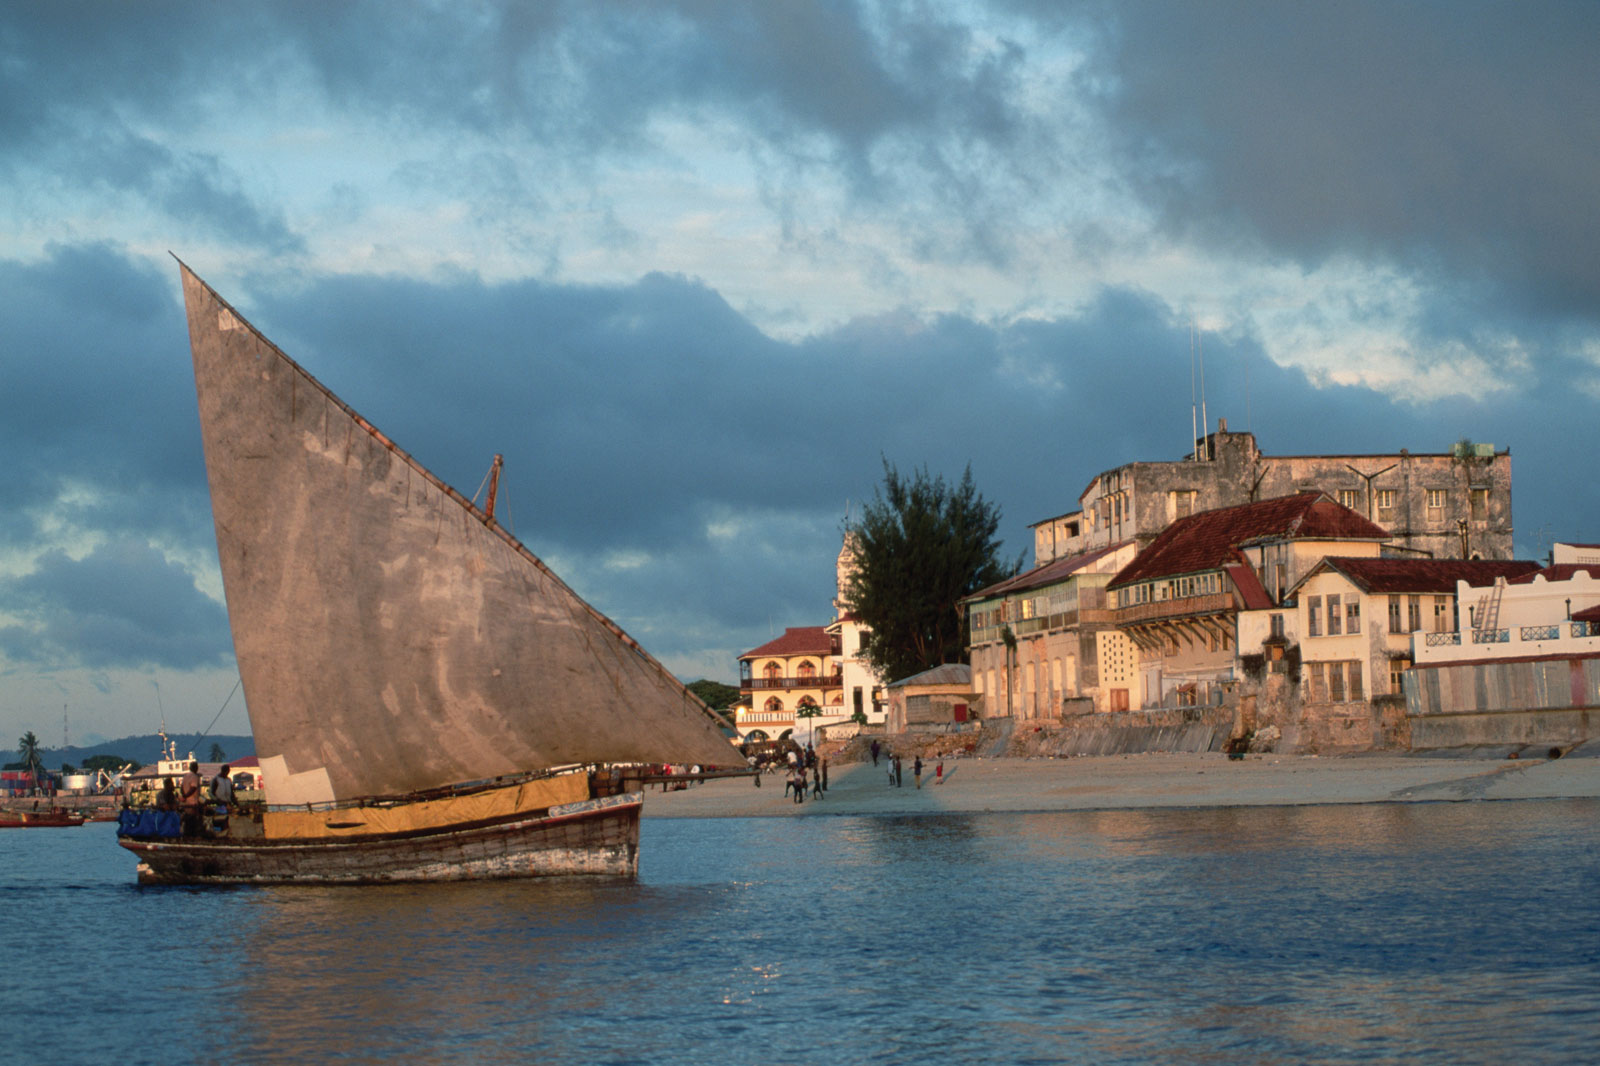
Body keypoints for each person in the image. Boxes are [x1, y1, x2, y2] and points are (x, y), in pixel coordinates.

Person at [179, 760, 203, 837]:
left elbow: (181, 787)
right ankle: (193, 834)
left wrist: (184, 796)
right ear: (196, 768)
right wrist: (187, 795)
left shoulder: (185, 776)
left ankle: (187, 833)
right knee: (193, 819)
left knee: (187, 818)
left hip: (186, 801)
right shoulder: (194, 777)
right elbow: (193, 788)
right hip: (193, 801)